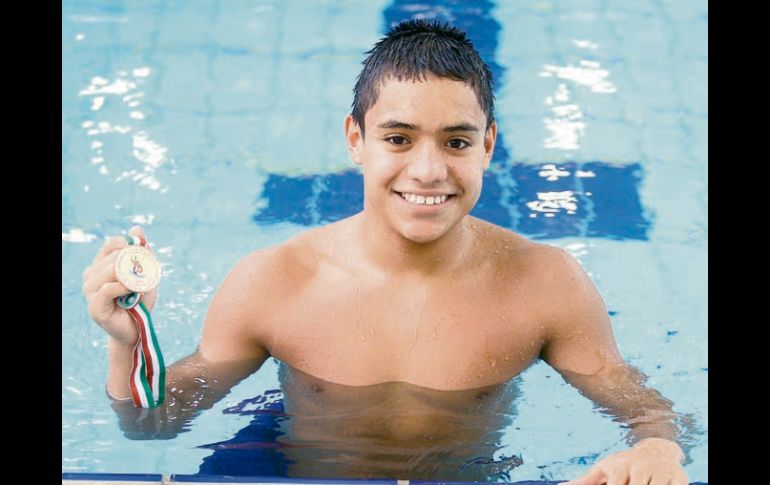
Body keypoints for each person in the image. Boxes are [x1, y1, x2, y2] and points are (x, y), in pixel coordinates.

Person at [82, 19, 690, 484]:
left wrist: (657, 447)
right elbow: (151, 424)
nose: (427, 171)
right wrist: (129, 343)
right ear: (357, 139)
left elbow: (648, 412)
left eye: (456, 142)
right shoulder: (275, 281)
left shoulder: (544, 284)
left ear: (488, 146)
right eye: (398, 139)